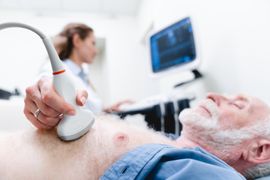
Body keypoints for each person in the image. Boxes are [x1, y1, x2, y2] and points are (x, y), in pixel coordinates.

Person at [21, 86, 270, 179]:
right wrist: (56, 112)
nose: (213, 95)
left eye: (237, 104)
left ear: (259, 150)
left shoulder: (212, 176)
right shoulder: (168, 143)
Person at [37, 22, 132, 115]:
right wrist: (44, 86)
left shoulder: (83, 75)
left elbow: (88, 109)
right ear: (77, 40)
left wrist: (109, 109)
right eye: (93, 43)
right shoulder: (54, 68)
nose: (96, 50)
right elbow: (46, 81)